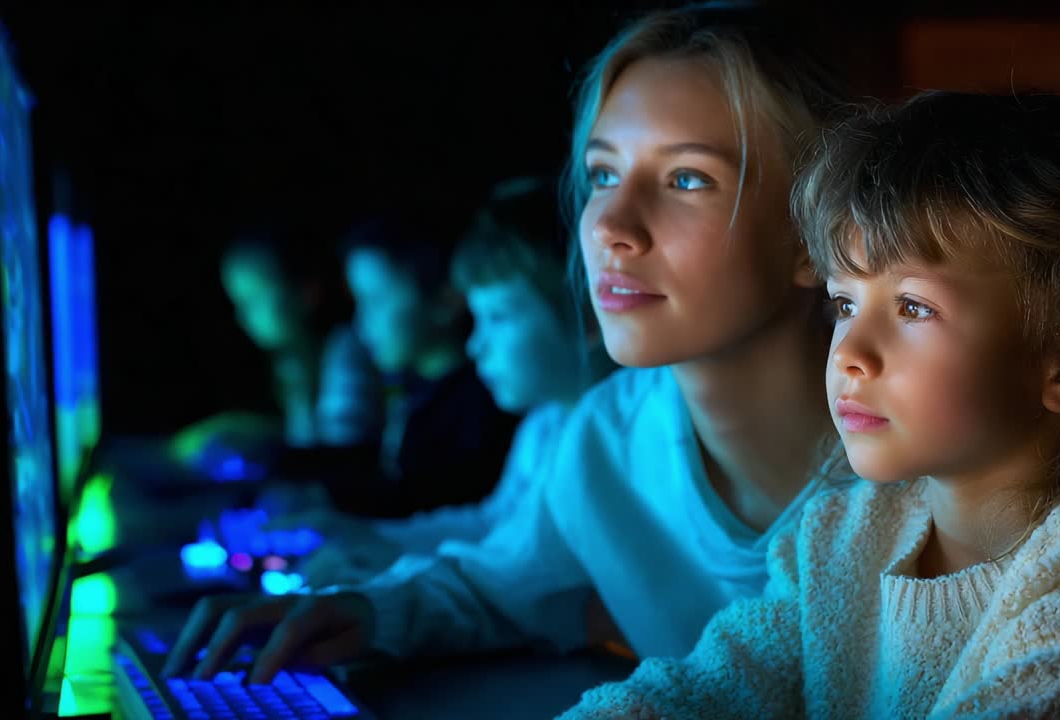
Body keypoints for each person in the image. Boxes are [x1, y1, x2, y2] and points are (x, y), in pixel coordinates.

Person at [162, 1, 853, 685]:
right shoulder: (603, 441)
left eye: (686, 179)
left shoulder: (915, 465)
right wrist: (362, 612)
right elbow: (499, 583)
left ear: (810, 236)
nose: (610, 224)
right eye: (604, 174)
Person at [563, 91, 1060, 718]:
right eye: (844, 303)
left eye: (913, 307)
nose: (849, 352)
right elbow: (703, 691)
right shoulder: (842, 537)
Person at [281, 176, 615, 586]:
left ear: (590, 315)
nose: (476, 345)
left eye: (498, 317)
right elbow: (492, 522)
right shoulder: (544, 424)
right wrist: (367, 536)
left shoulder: (612, 438)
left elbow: (528, 572)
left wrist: (385, 578)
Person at [272, 212, 519, 517]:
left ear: (445, 299)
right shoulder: (413, 390)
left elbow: (422, 502)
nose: (362, 323)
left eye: (375, 300)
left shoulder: (484, 405)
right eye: (358, 302)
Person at [172, 224, 383, 475]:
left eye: (255, 299)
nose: (243, 315)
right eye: (239, 302)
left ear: (306, 292)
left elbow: (338, 456)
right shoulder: (292, 366)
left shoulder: (346, 352)